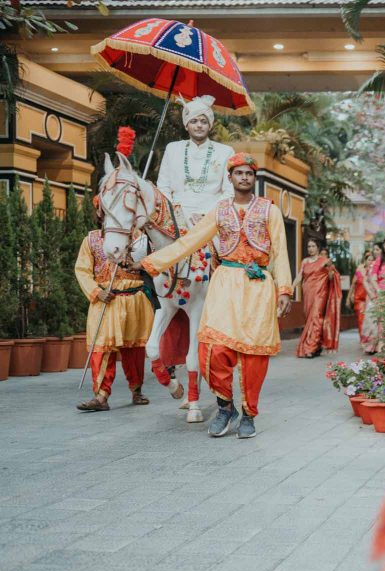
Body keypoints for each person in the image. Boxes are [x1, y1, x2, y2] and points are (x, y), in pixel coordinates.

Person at [139, 153, 293, 439]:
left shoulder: (270, 211)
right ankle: (225, 406)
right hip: (224, 283)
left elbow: (280, 251)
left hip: (258, 287)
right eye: (238, 173)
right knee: (212, 349)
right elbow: (190, 240)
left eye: (249, 173)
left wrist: (284, 289)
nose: (244, 178)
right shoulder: (219, 211)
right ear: (231, 178)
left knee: (253, 354)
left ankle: (249, 413)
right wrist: (154, 262)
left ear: (254, 178)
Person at [74, 211, 154, 411]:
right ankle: (101, 395)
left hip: (134, 299)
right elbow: (82, 270)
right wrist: (96, 292)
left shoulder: (140, 238)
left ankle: (136, 390)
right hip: (105, 300)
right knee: (102, 348)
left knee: (134, 348)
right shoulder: (91, 239)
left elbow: (152, 265)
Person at [156, 95, 234, 229]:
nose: (199, 125)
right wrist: (174, 213)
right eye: (194, 121)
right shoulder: (173, 148)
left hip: (212, 218)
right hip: (175, 217)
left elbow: (229, 191)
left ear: (210, 126)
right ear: (186, 125)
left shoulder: (225, 152)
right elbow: (163, 187)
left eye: (204, 121)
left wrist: (206, 215)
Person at [293, 239, 342, 358]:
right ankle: (317, 345)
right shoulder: (305, 261)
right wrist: (291, 288)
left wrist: (330, 268)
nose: (310, 249)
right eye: (309, 246)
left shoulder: (324, 261)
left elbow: (332, 278)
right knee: (308, 318)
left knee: (316, 318)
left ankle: (310, 348)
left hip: (320, 293)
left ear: (318, 248)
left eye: (313, 246)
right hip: (307, 293)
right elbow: (300, 276)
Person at [347, 251, 374, 352]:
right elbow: (353, 284)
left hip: (370, 299)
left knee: (369, 321)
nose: (371, 262)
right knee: (361, 321)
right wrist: (349, 297)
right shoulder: (359, 270)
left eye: (372, 260)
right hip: (359, 299)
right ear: (365, 260)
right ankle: (363, 341)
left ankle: (370, 341)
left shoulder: (374, 271)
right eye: (369, 260)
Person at [361, 242, 384, 354]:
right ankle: (371, 346)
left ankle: (380, 346)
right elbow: (365, 280)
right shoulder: (372, 264)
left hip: (383, 295)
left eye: (378, 249)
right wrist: (371, 294)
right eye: (374, 249)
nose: (376, 251)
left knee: (382, 322)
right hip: (373, 296)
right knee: (371, 321)